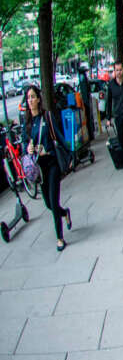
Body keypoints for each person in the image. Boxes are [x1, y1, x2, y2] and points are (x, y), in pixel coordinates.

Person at [23, 85, 70, 251]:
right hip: (39, 170)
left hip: (52, 165)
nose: (30, 100)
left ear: (38, 99)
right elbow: (24, 144)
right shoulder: (27, 123)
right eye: (28, 97)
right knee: (49, 205)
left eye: (33, 96)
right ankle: (64, 213)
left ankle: (60, 238)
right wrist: (27, 149)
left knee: (53, 199)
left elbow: (58, 136)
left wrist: (68, 155)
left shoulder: (46, 117)